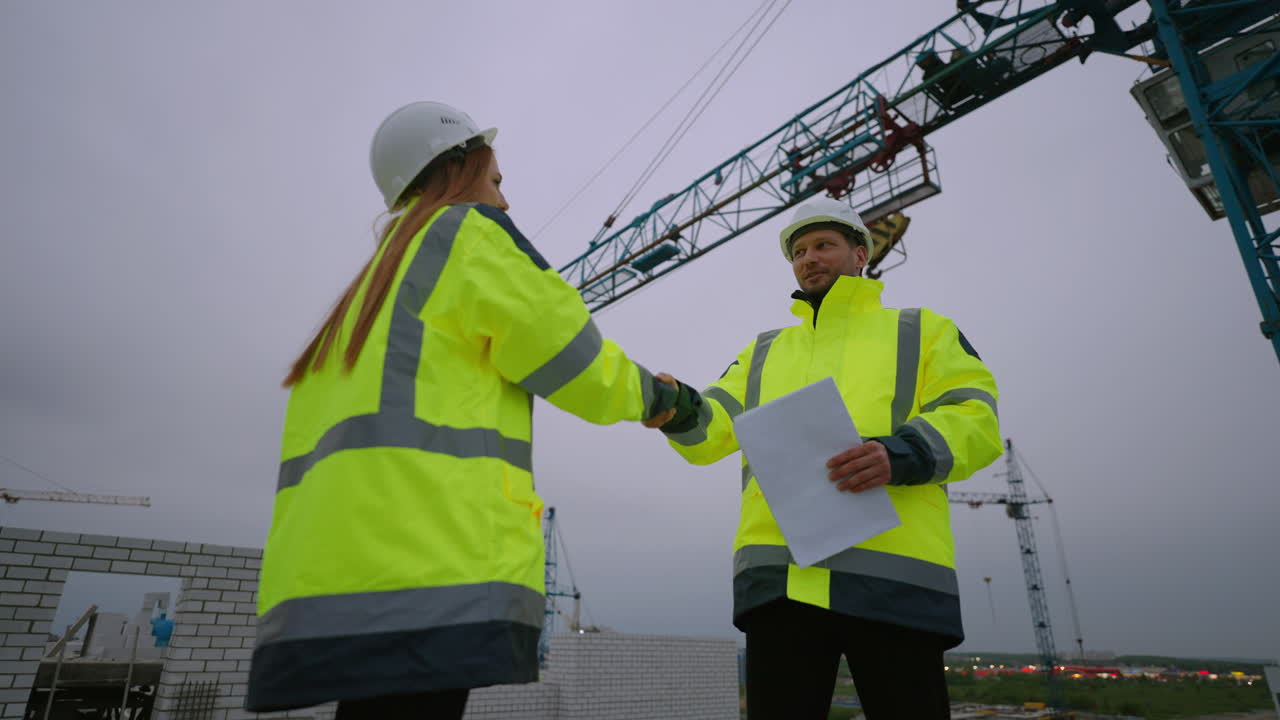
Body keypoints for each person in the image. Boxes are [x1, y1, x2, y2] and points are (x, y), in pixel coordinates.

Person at [246, 101, 691, 719]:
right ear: (458, 168)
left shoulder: (369, 292)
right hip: (431, 559)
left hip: (342, 575)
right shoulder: (466, 235)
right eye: (496, 181)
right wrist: (665, 401)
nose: (505, 203)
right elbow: (576, 362)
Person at [653, 196, 1002, 719]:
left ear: (861, 253)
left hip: (895, 583)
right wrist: (678, 409)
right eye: (798, 251)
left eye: (824, 245)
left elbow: (975, 417)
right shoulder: (764, 350)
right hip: (781, 585)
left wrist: (898, 454)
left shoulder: (923, 330)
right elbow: (714, 428)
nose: (808, 258)